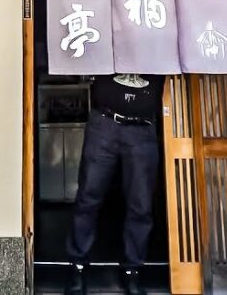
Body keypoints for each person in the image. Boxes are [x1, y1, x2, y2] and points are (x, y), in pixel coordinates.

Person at [65, 73, 164, 295]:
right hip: (104, 124)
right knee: (88, 198)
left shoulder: (157, 38)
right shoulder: (108, 36)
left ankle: (133, 271)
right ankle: (77, 266)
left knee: (141, 205)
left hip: (143, 128)